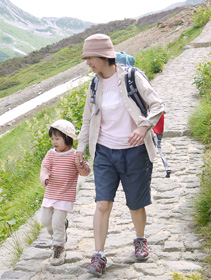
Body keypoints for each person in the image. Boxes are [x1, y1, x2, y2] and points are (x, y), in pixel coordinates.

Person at [75, 34, 165, 276]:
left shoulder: (131, 77)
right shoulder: (94, 85)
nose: (88, 63)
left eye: (90, 57)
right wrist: (80, 150)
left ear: (104, 55)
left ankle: (140, 239)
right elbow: (87, 120)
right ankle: (99, 255)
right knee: (102, 203)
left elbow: (157, 104)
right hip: (104, 153)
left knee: (136, 204)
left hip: (135, 152)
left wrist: (143, 126)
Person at [40, 119, 91, 266]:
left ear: (67, 139)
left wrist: (80, 164)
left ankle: (59, 247)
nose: (54, 142)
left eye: (57, 138)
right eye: (52, 139)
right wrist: (45, 178)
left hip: (65, 195)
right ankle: (62, 227)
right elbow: (44, 168)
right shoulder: (51, 154)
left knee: (57, 222)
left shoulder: (75, 155)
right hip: (50, 193)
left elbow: (85, 172)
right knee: (45, 221)